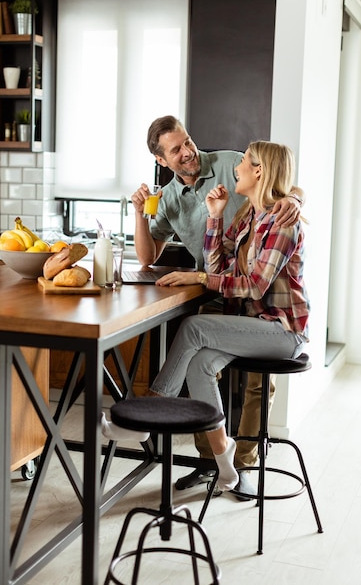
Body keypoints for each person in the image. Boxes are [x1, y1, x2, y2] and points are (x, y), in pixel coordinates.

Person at [103, 139, 309, 495]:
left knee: (194, 326)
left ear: (258, 171)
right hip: (250, 323)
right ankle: (225, 464)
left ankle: (146, 414)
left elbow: (256, 286)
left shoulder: (282, 221)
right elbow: (217, 264)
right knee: (199, 364)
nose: (237, 167)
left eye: (245, 162)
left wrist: (198, 278)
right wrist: (214, 218)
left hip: (281, 332)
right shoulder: (249, 214)